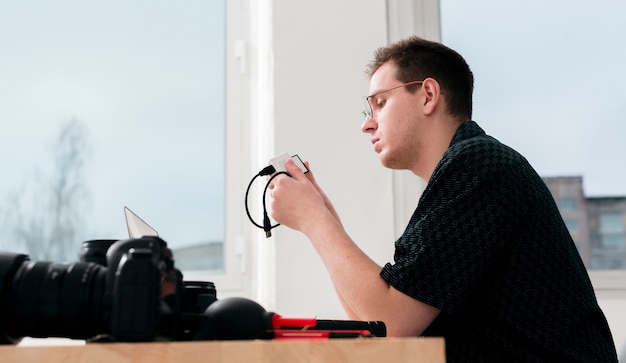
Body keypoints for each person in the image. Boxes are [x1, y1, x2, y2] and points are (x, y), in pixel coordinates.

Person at [268, 36, 618, 362]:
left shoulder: (478, 166)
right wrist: (324, 216)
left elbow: (392, 321)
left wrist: (315, 221)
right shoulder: (466, 174)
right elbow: (375, 327)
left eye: (380, 103)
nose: (367, 125)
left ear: (428, 95)